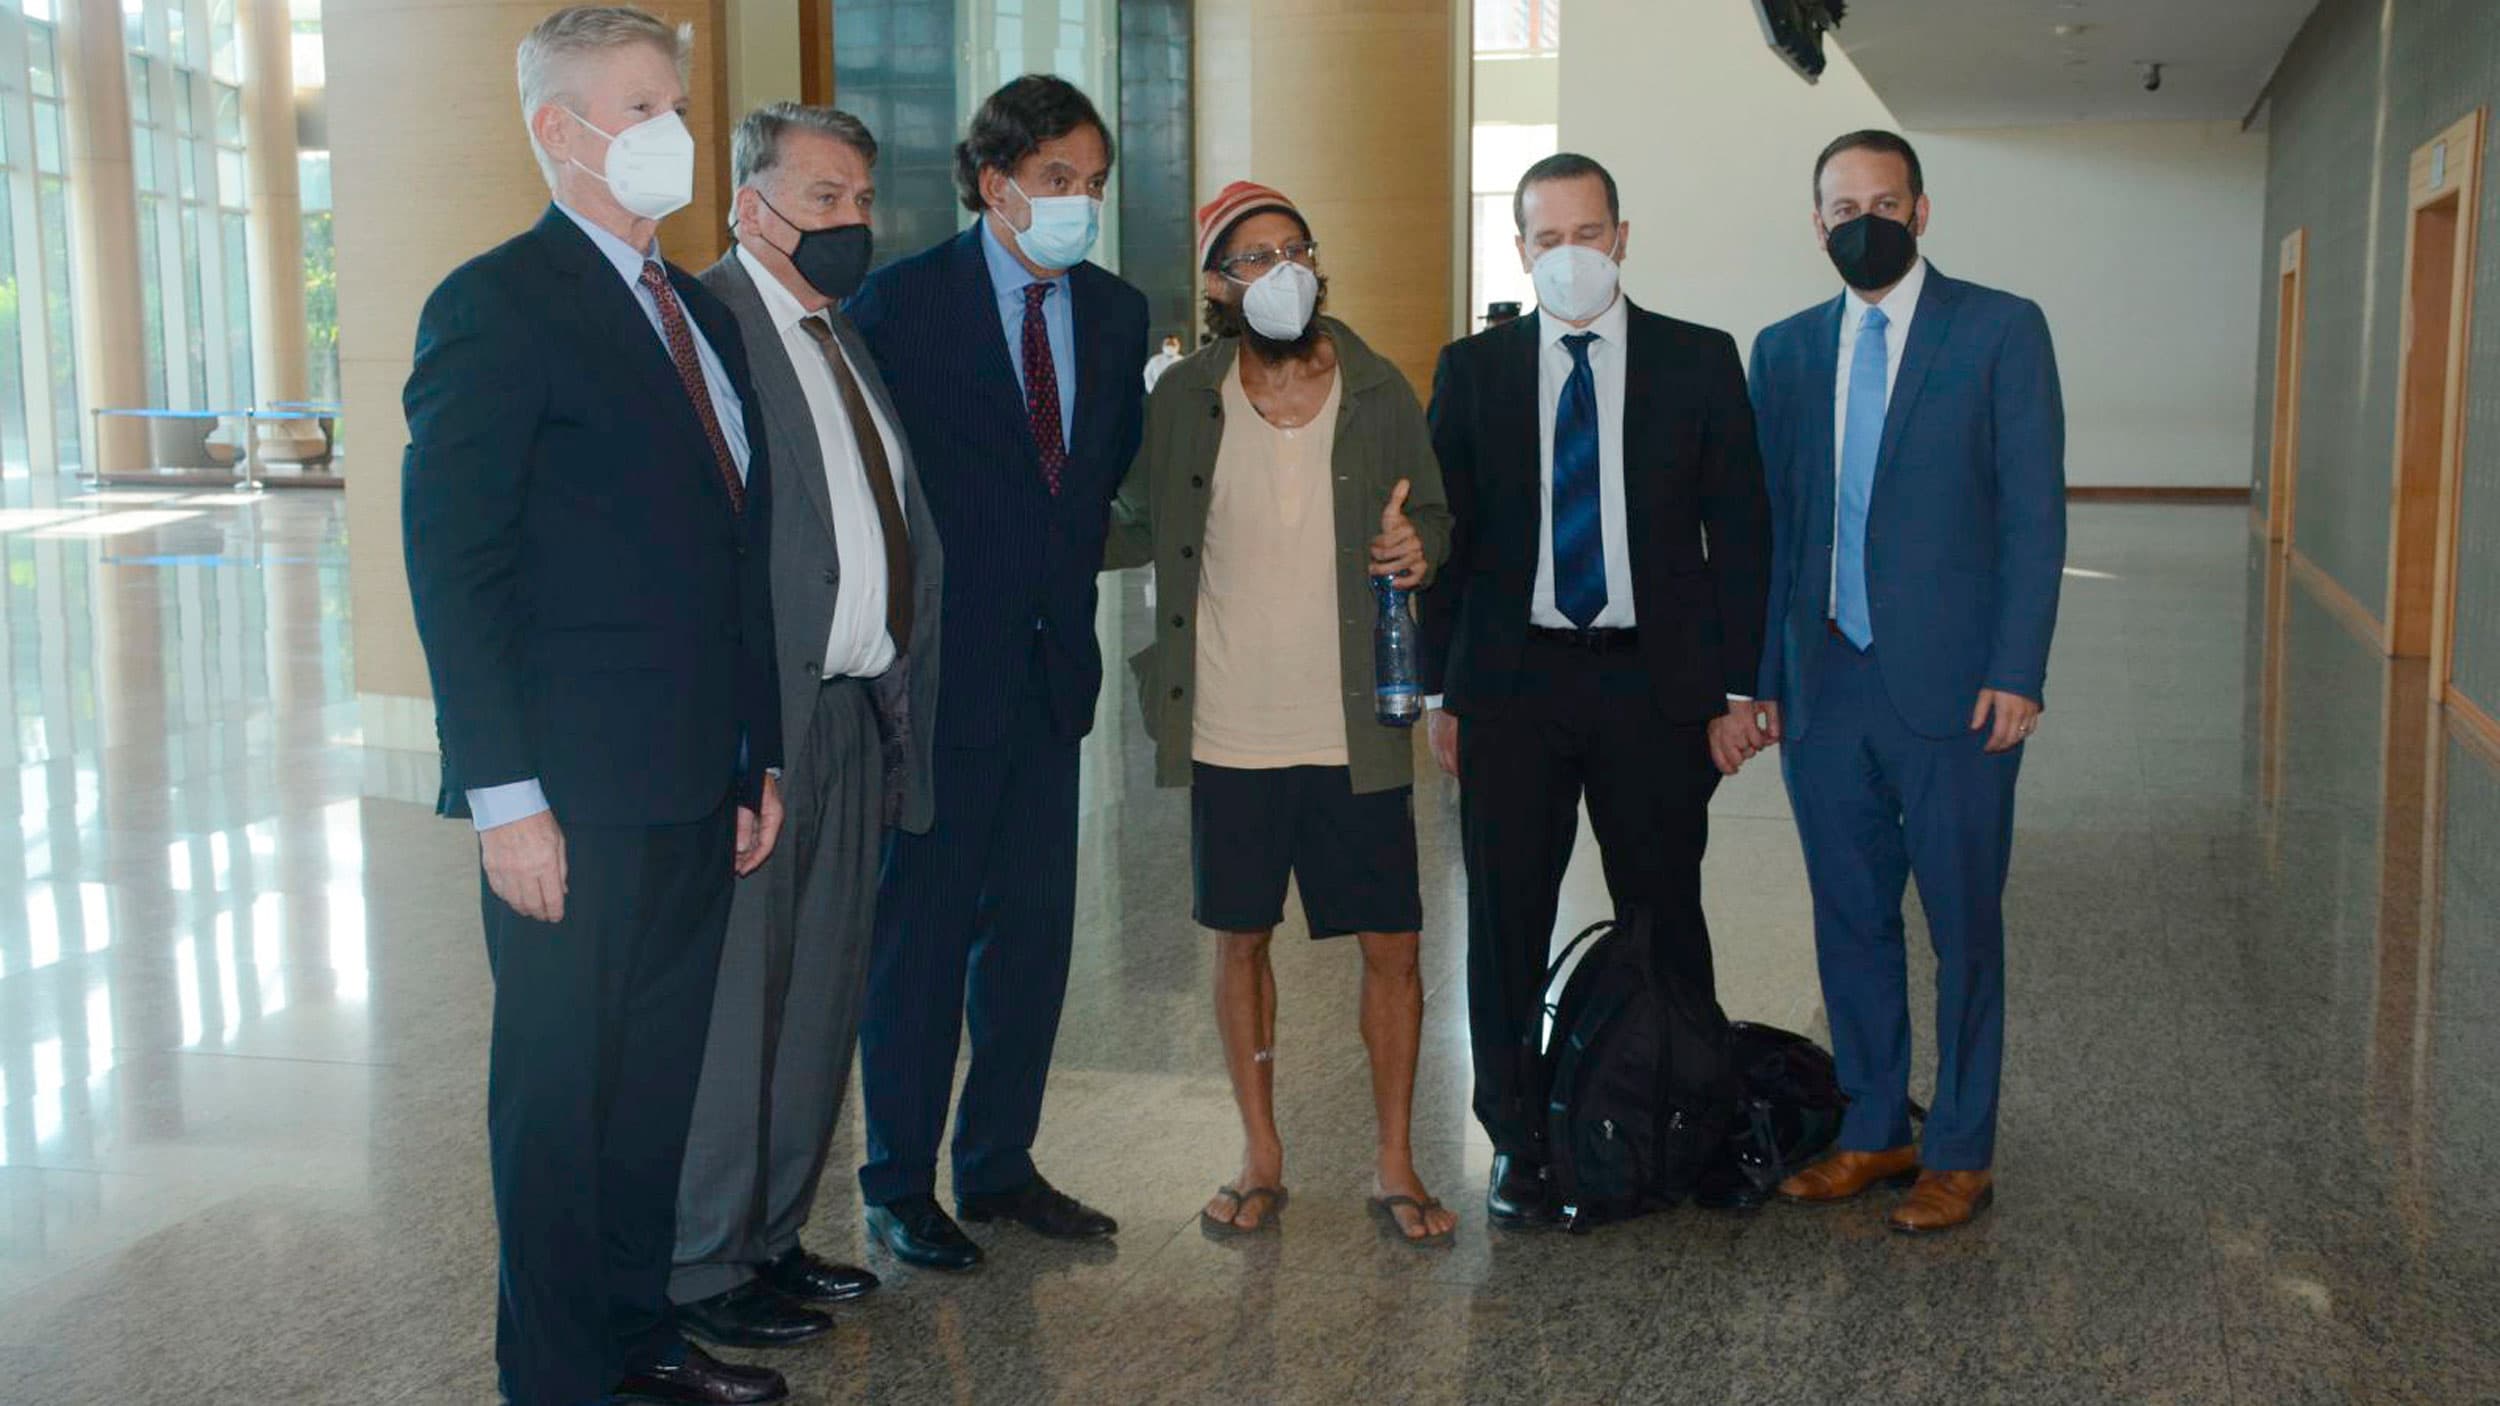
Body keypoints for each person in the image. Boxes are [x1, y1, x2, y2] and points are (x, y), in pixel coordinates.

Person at [400, 8, 786, 1403]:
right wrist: (505, 797)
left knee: (651, 1093)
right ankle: (557, 1375)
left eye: (673, 102)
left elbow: (735, 557)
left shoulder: (688, 306)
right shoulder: (498, 304)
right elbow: (457, 565)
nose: (671, 129)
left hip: (696, 782)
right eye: (639, 107)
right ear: (559, 131)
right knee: (559, 1102)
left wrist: (762, 756)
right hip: (568, 794)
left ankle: (640, 1340)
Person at [1418, 153, 1771, 1230]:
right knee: (1507, 918)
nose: (1567, 254)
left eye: (1586, 232)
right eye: (1544, 237)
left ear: (1620, 235)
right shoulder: (1472, 370)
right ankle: (1518, 1138)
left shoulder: (1698, 360)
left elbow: (1742, 532)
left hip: (1654, 685)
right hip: (1512, 685)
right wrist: (1440, 692)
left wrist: (1740, 688)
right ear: (1520, 249)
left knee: (1666, 909)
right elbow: (1443, 539)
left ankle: (1688, 1112)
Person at [1107, 181, 1458, 1245]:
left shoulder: (1380, 385)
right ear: (1218, 284)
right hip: (1229, 720)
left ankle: (1395, 1156)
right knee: (1240, 937)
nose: (1280, 271)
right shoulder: (1182, 397)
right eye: (1253, 257)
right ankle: (1261, 1150)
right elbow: (1121, 516)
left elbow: (1434, 512)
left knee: (1393, 941)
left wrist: (1419, 547)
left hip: (1354, 721)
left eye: (1294, 248)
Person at [844, 74, 1146, 1270]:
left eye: (1093, 185)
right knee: (919, 939)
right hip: (934, 679)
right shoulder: (900, 305)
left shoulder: (1116, 314)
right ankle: (895, 1180)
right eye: (1057, 180)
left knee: (1030, 936)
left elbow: (1091, 481)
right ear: (994, 181)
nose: (1078, 204)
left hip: (1049, 676)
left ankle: (999, 1161)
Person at [1744, 130, 2065, 1234]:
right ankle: (1875, 1123)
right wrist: (1761, 678)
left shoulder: (2000, 329)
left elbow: (2033, 514)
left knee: (1963, 926)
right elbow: (1774, 529)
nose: (1861, 221)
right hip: (1824, 683)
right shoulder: (1782, 352)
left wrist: (2017, 667)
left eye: (1882, 201)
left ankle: (1961, 1144)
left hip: (1957, 691)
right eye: (1840, 207)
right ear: (1816, 221)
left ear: (1921, 211)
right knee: (1849, 919)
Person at [665, 103, 945, 1347]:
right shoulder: (707, 328)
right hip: (762, 727)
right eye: (822, 199)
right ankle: (701, 1260)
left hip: (850, 716)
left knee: (821, 994)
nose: (850, 223)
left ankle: (774, 1236)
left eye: (862, 200)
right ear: (749, 204)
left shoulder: (840, 335)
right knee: (739, 1003)